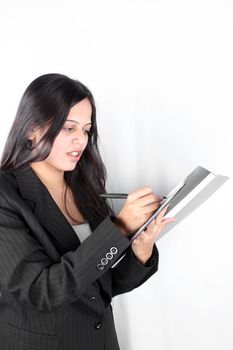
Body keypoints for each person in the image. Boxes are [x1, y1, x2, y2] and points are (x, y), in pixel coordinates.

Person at [0, 73, 174, 350]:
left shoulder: (85, 189)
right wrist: (119, 229)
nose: (80, 140)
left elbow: (98, 287)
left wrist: (141, 250)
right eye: (69, 128)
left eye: (86, 129)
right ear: (31, 129)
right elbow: (42, 291)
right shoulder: (6, 195)